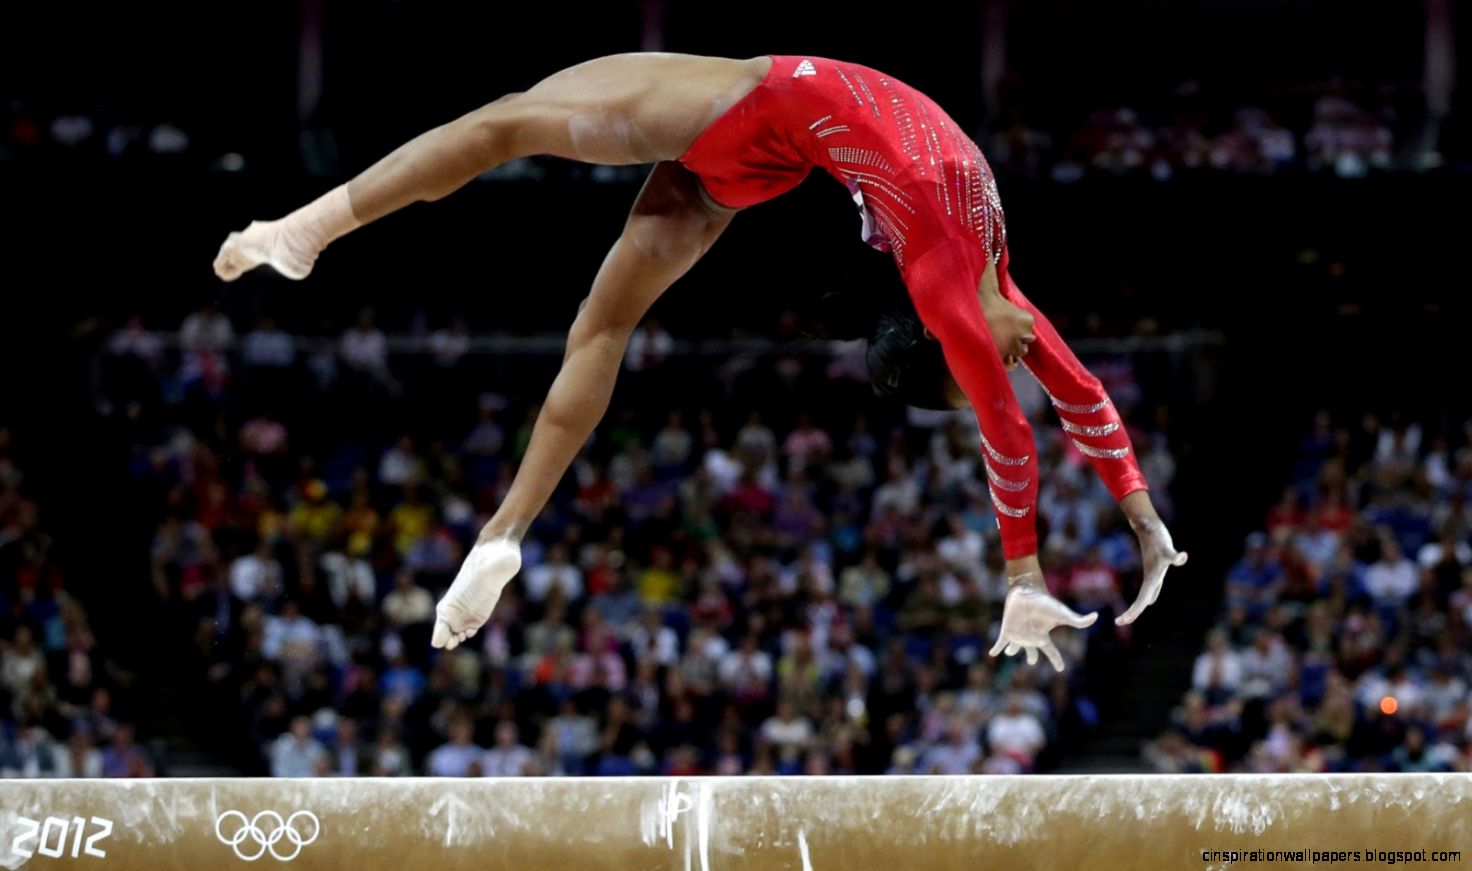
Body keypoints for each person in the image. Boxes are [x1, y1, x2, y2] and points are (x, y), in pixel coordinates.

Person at [214, 53, 1186, 671]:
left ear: (939, 335)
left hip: (755, 107)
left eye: (977, 371)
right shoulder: (995, 287)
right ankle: (502, 533)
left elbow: (1014, 429)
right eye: (987, 372)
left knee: (504, 120)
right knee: (601, 324)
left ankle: (306, 231)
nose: (1007, 368)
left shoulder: (950, 288)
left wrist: (1031, 568)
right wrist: (1139, 519)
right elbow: (1080, 396)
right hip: (766, 159)